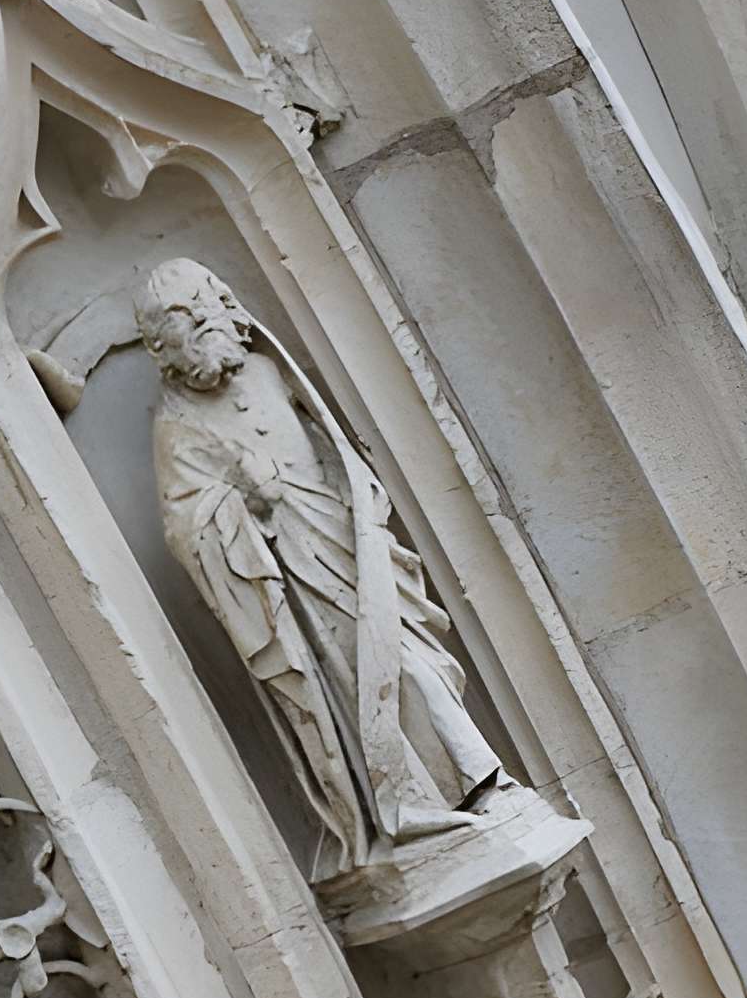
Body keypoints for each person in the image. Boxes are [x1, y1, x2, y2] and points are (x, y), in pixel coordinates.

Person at [136, 258, 507, 876]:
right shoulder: (176, 427)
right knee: (371, 675)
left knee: (415, 656)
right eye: (181, 315)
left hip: (346, 540)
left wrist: (353, 499)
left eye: (205, 300)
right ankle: (413, 802)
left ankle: (478, 779)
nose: (201, 316)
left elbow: (335, 446)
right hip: (294, 583)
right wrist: (241, 503)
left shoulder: (266, 369)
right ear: (160, 345)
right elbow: (187, 530)